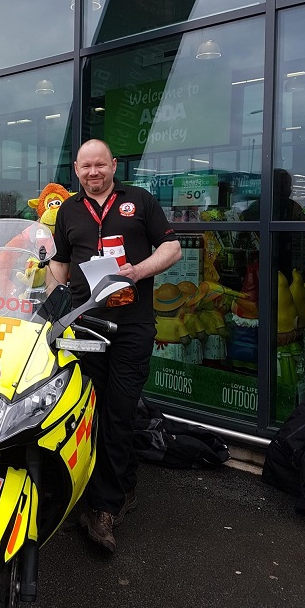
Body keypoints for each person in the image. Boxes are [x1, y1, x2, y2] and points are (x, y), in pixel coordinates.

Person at [49, 139, 181, 553]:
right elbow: (59, 263)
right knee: (86, 410)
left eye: (100, 165)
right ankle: (104, 488)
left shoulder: (140, 201)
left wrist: (136, 272)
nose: (93, 172)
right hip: (85, 326)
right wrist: (53, 305)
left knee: (119, 412)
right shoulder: (68, 210)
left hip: (131, 327)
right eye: (86, 166)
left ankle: (105, 507)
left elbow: (173, 248)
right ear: (76, 168)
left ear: (113, 164)